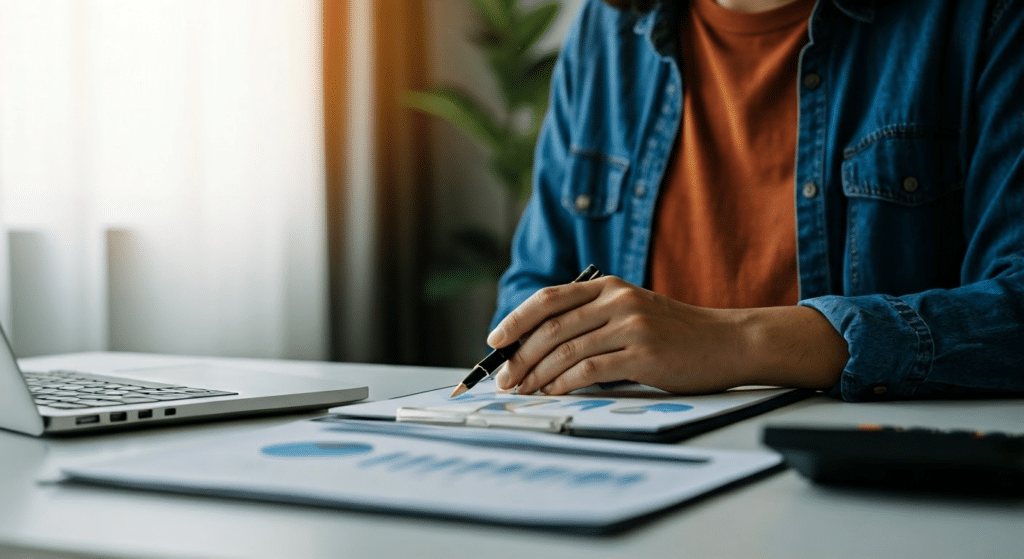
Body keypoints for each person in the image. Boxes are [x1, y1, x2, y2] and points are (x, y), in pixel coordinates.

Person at [487, 0, 1024, 402]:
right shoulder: (607, 30)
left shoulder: (983, 17)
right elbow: (535, 287)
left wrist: (736, 343)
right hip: (642, 473)